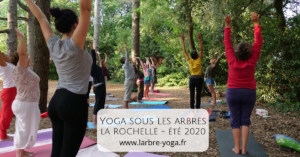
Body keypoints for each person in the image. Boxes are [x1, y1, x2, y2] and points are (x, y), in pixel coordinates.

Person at [24, 0, 92, 156]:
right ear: (75, 25)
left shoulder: (53, 44)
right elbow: (86, 10)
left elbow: (41, 18)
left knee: (57, 153)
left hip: (56, 103)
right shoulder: (75, 44)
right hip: (73, 103)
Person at [224, 12, 263, 155]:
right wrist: (256, 23)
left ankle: (237, 148)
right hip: (249, 93)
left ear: (236, 52)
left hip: (233, 93)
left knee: (235, 120)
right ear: (250, 52)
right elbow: (258, 42)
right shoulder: (252, 60)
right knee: (245, 120)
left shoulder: (231, 60)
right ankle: (244, 148)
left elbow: (227, 43)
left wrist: (227, 26)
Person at [11, 28, 40, 157]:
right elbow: (22, 54)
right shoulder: (20, 69)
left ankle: (22, 150)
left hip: (26, 103)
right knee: (23, 128)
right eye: (26, 55)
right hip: (26, 103)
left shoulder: (25, 69)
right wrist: (21, 38)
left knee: (24, 127)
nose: (28, 56)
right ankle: (20, 153)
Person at [180, 33, 204, 109]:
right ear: (197, 55)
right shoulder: (199, 59)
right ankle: (197, 110)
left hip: (192, 79)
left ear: (191, 56)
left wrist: (183, 41)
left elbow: (184, 51)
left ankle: (192, 109)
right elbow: (201, 49)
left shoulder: (190, 60)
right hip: (199, 79)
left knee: (192, 95)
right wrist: (199, 39)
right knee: (198, 95)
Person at [0, 52, 17, 142]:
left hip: (12, 90)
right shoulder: (4, 65)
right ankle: (2, 135)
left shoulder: (9, 65)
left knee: (6, 113)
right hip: (9, 91)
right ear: (3, 58)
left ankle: (3, 134)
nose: (8, 56)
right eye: (6, 55)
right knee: (6, 114)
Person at [89, 41, 106, 126]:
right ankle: (94, 121)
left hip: (101, 86)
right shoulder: (91, 68)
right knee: (98, 103)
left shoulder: (96, 67)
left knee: (101, 103)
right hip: (98, 87)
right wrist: (92, 47)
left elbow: (98, 60)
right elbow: (93, 57)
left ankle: (98, 120)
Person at [119, 44, 135, 109]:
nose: (127, 59)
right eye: (125, 59)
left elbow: (123, 58)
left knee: (128, 95)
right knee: (127, 95)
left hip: (130, 81)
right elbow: (127, 57)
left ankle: (126, 107)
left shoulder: (126, 64)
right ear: (125, 61)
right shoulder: (126, 65)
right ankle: (126, 108)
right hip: (128, 82)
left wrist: (120, 52)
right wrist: (126, 49)